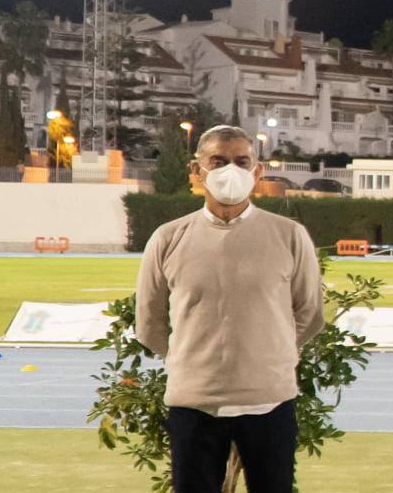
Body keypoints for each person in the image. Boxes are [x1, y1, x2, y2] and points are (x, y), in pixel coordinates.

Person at [135, 124, 324, 493]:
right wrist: (192, 361)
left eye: (241, 161)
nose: (230, 171)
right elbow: (149, 322)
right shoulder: (169, 238)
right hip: (194, 403)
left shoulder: (289, 236)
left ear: (257, 171)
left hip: (270, 401)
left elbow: (310, 313)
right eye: (218, 161)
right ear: (197, 170)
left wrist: (270, 355)